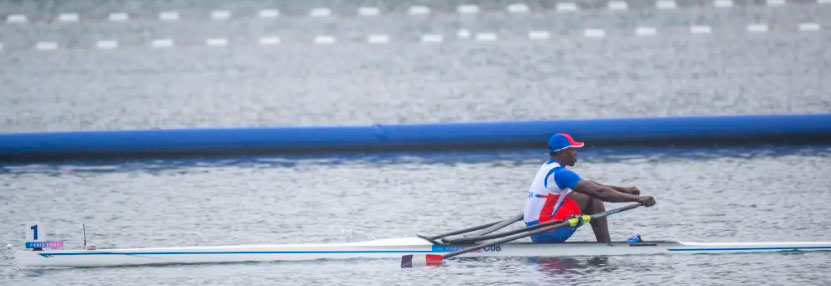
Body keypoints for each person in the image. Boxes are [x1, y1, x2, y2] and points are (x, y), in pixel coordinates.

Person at [523, 133, 656, 243]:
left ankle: (604, 245)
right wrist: (638, 199)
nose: (576, 153)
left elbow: (590, 185)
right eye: (573, 149)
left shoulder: (546, 168)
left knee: (587, 189)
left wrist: (623, 190)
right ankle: (605, 245)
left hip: (537, 230)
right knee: (592, 196)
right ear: (563, 152)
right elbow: (599, 192)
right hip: (547, 233)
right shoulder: (561, 174)